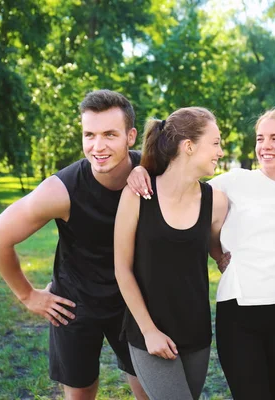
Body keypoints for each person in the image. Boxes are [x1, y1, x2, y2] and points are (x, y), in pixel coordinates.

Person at [127, 107, 275, 399]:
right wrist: (140, 169)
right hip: (238, 310)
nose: (265, 145)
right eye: (260, 138)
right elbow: (179, 184)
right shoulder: (233, 182)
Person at [0, 90, 148, 399]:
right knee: (79, 393)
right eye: (89, 134)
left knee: (150, 390)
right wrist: (28, 296)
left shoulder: (152, 172)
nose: (97, 146)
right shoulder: (60, 190)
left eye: (110, 134)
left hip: (133, 301)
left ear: (131, 136)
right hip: (74, 304)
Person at [114, 107, 229, 400]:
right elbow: (122, 269)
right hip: (148, 334)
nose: (220, 150)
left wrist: (224, 258)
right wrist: (149, 331)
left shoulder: (216, 201)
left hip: (197, 333)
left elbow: (215, 247)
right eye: (215, 142)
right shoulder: (138, 194)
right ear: (188, 146)